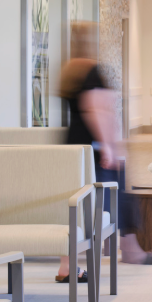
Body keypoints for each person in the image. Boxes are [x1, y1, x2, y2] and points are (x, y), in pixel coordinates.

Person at [59, 22, 128, 277]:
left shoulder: (67, 71)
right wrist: (109, 147)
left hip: (71, 145)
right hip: (92, 147)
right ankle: (98, 260)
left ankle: (66, 266)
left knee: (73, 204)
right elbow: (96, 110)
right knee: (97, 204)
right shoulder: (92, 70)